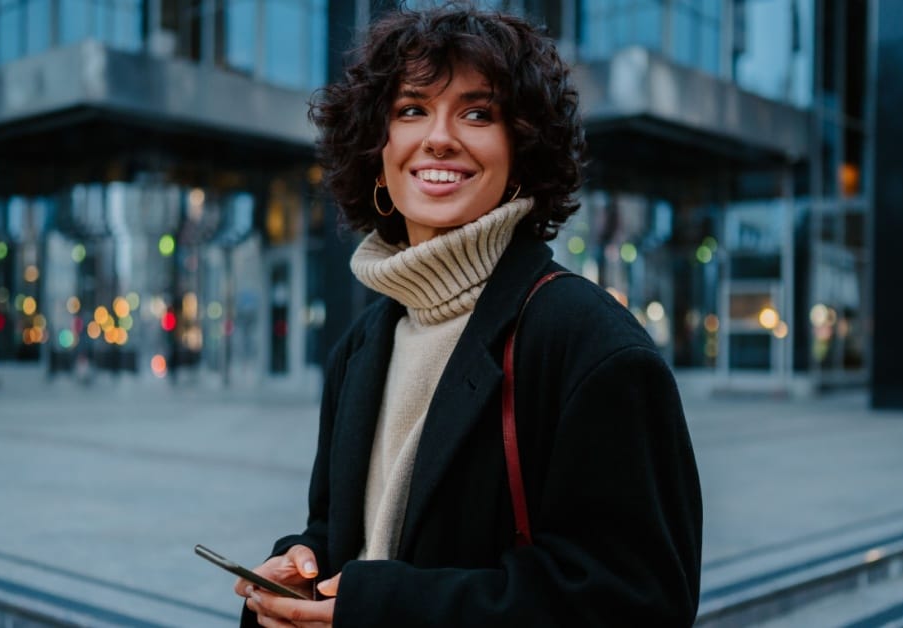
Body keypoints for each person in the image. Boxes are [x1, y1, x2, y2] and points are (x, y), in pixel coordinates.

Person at [235, 4, 702, 626]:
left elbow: (636, 600)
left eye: (478, 113)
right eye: (411, 110)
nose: (439, 137)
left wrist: (383, 608)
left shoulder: (587, 344)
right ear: (379, 150)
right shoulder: (363, 344)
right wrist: (298, 570)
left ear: (521, 151)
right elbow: (344, 533)